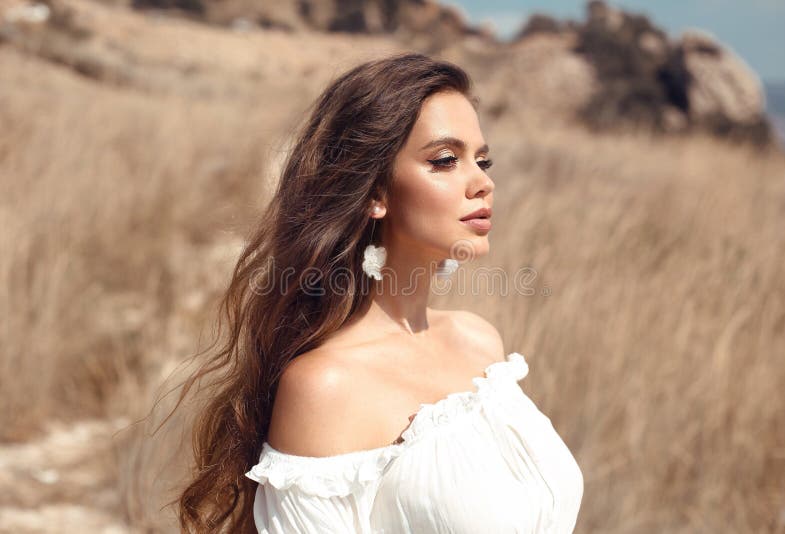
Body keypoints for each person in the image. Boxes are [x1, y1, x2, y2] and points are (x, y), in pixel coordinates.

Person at [174, 52, 583, 533]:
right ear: (375, 192)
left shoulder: (481, 347)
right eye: (446, 160)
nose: (483, 182)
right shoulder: (325, 388)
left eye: (483, 159)